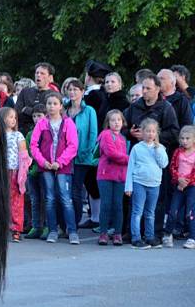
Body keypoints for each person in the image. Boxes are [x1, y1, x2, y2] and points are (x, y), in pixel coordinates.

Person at [30, 92, 80, 244]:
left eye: (55, 104)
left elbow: (73, 146)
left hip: (63, 168)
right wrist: (42, 162)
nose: (51, 107)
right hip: (46, 167)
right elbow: (34, 145)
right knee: (50, 199)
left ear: (60, 106)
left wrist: (60, 162)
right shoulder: (41, 124)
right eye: (49, 104)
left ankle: (72, 231)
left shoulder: (68, 123)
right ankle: (52, 230)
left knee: (66, 199)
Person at [125, 118, 168, 249]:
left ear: (156, 133)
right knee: (137, 211)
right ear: (142, 132)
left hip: (154, 184)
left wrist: (158, 150)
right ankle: (136, 238)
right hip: (139, 182)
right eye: (147, 131)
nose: (150, 134)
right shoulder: (137, 148)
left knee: (150, 212)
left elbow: (164, 164)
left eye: (153, 131)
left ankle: (149, 236)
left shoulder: (160, 148)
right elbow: (130, 167)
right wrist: (128, 186)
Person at [65, 79, 99, 229]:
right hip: (66, 157)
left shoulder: (89, 110)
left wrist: (85, 152)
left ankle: (75, 222)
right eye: (70, 89)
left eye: (75, 90)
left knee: (76, 190)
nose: (72, 92)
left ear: (82, 92)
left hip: (82, 157)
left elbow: (93, 134)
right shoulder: (64, 111)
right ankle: (67, 221)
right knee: (66, 191)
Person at [96, 110, 129, 246]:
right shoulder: (105, 134)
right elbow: (111, 153)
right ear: (108, 123)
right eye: (113, 120)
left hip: (120, 176)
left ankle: (117, 234)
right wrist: (130, 159)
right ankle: (103, 233)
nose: (116, 122)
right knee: (105, 204)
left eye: (119, 120)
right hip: (105, 175)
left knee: (118, 205)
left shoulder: (122, 138)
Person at [163, 126, 195, 249]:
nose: (184, 141)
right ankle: (168, 234)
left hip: (191, 186)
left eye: (188, 138)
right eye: (182, 138)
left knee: (190, 212)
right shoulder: (177, 152)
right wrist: (179, 180)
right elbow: (172, 167)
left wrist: (186, 182)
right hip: (178, 186)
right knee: (173, 211)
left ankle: (192, 238)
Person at [1, 107, 30, 242]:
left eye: (14, 117)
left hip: (14, 172)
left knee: (16, 202)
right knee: (0, 201)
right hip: (0, 172)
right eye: (10, 117)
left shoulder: (18, 135)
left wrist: (22, 174)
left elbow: (24, 156)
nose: (13, 120)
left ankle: (16, 229)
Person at [24, 104, 48, 239]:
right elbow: (28, 151)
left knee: (46, 199)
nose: (36, 119)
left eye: (39, 116)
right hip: (33, 170)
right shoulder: (30, 133)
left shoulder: (48, 131)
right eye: (34, 116)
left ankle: (46, 225)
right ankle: (36, 225)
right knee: (34, 199)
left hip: (45, 169)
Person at [16, 63, 56, 134]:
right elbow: (17, 112)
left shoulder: (54, 95)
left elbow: (49, 115)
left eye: (42, 73)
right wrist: (39, 113)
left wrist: (27, 110)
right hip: (23, 133)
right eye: (37, 73)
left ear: (50, 77)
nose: (38, 75)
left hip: (46, 133)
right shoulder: (25, 92)